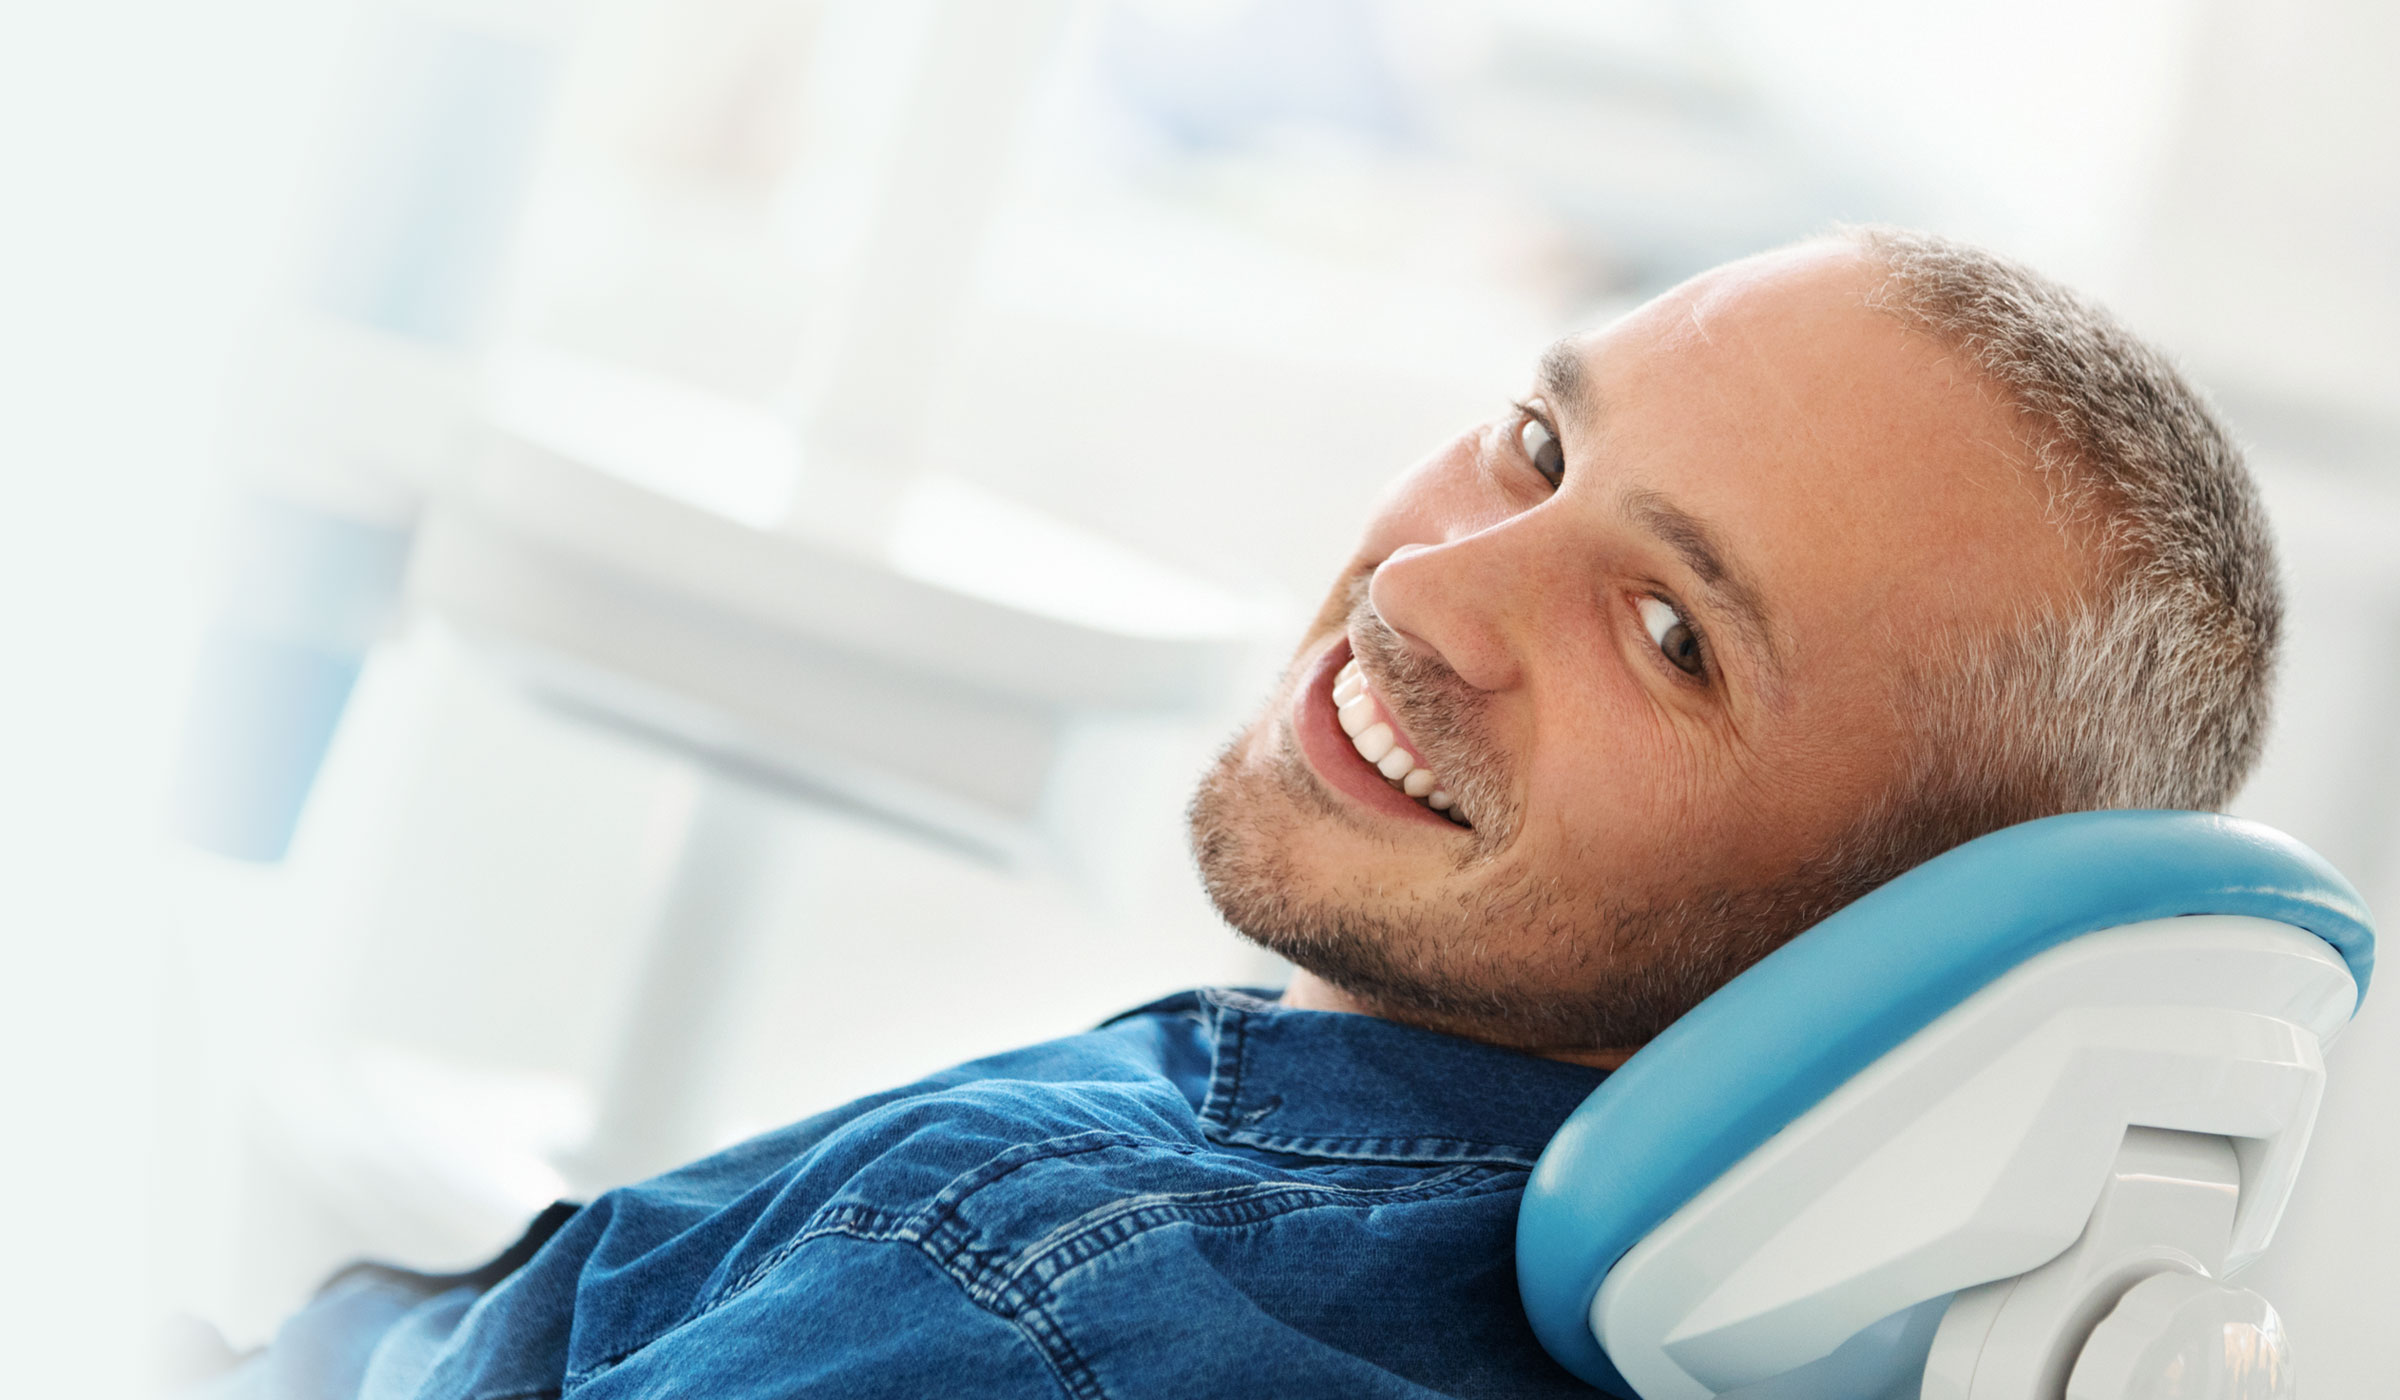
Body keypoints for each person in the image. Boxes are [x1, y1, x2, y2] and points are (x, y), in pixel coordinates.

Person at [189, 227, 2279, 1399]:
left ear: (1893, 945)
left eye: (1671, 635)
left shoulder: (1047, 1307)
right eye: (1536, 443)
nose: (1428, 589)